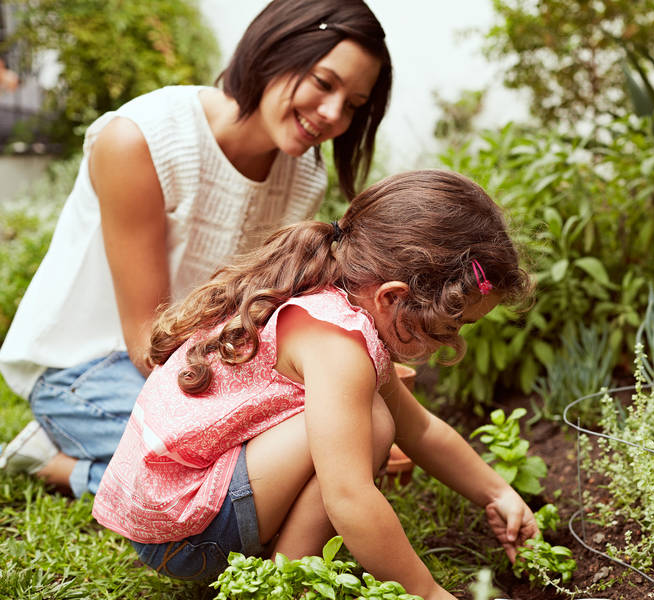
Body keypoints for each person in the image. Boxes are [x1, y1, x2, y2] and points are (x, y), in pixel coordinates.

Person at [0, 0, 392, 499]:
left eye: (354, 104)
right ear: (275, 50)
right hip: (85, 368)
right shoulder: (139, 139)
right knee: (246, 476)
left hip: (191, 364)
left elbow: (260, 311)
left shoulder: (303, 175)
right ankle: (56, 463)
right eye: (323, 82)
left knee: (280, 458)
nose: (335, 114)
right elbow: (148, 340)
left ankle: (74, 465)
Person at [91, 169, 537, 600]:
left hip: (170, 514)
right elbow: (348, 497)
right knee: (373, 424)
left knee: (376, 418)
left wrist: (497, 492)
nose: (453, 342)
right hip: (185, 534)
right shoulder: (338, 346)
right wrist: (427, 592)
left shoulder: (331, 301)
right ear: (392, 297)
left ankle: (277, 571)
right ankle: (283, 583)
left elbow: (419, 429)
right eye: (451, 326)